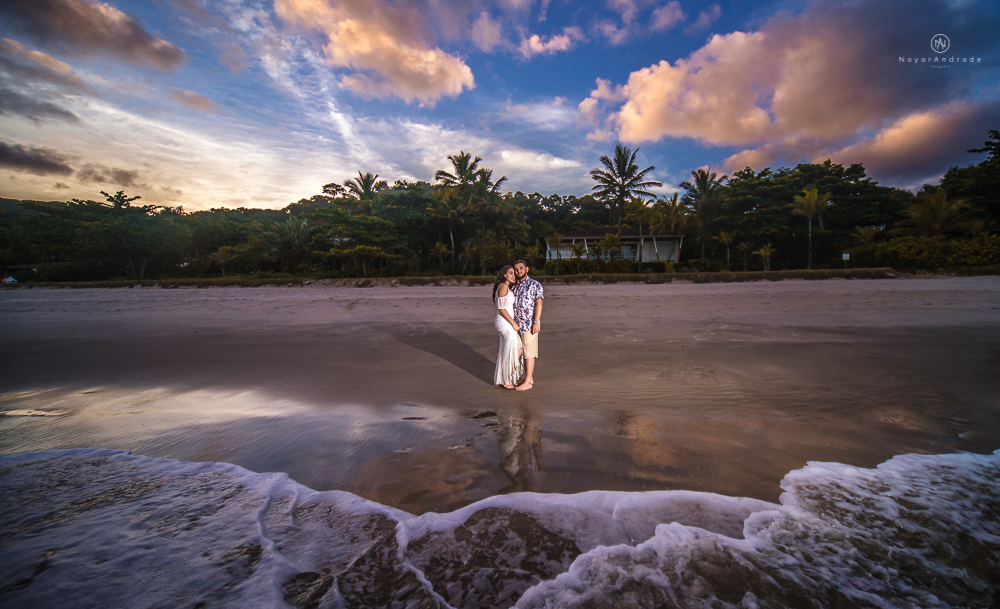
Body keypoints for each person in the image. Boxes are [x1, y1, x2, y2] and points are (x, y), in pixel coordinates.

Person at [511, 259, 543, 391]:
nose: (518, 271)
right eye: (516, 269)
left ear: (527, 269)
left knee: (529, 352)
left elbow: (539, 303)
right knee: (522, 352)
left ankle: (529, 381)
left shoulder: (534, 284)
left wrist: (536, 321)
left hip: (529, 324)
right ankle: (527, 377)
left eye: (521, 268)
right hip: (516, 325)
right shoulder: (514, 286)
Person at [492, 265, 524, 389]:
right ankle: (506, 380)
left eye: (514, 274)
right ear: (504, 274)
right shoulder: (503, 286)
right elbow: (501, 308)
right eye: (510, 273)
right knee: (512, 350)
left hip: (507, 322)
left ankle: (505, 377)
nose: (513, 276)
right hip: (504, 322)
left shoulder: (507, 287)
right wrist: (513, 323)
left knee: (515, 349)